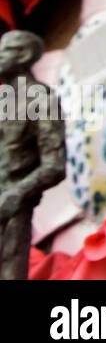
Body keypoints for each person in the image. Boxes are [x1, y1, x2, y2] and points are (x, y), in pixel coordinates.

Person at [0, 31, 65, 280]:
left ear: (24, 55)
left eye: (5, 50)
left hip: (12, 208)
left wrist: (17, 193)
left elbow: (55, 164)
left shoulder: (40, 99)